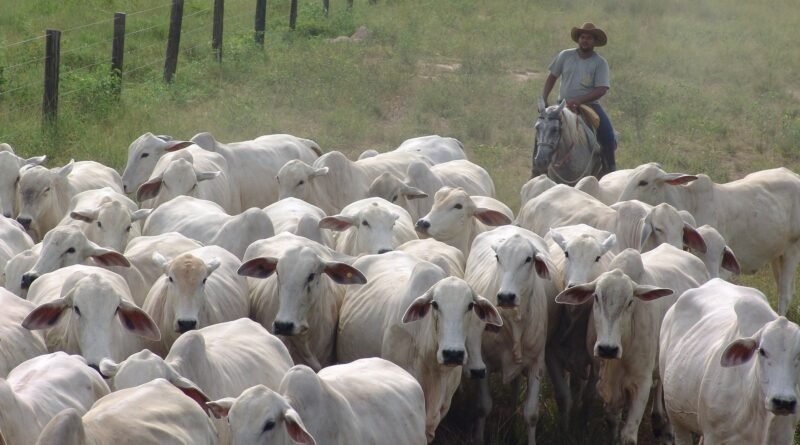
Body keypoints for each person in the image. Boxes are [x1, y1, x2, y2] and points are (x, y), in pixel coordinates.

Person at [541, 22, 617, 172]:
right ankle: (537, 169)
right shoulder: (565, 55)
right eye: (582, 37)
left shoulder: (600, 63)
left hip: (589, 105)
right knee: (543, 129)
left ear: (594, 42)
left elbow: (602, 89)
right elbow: (552, 77)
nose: (585, 40)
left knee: (608, 134)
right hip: (562, 104)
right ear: (578, 39)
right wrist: (544, 98)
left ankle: (609, 168)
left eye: (589, 38)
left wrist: (579, 100)